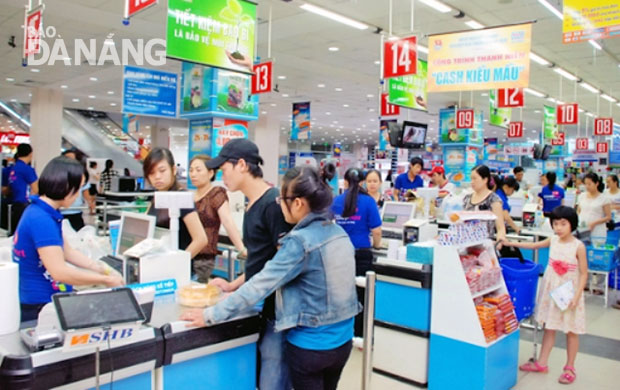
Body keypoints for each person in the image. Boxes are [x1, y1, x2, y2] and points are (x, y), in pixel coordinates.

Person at [181, 166, 359, 390]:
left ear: (298, 203)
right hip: (342, 343)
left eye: (281, 199)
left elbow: (260, 284)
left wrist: (210, 315)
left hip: (311, 346)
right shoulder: (339, 234)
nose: (279, 204)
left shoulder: (300, 242)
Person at [204, 138, 293, 390]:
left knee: (273, 379)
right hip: (264, 307)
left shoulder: (273, 204)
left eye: (224, 169)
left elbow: (283, 265)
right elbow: (261, 260)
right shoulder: (251, 203)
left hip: (280, 313)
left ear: (241, 165)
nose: (222, 177)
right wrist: (234, 286)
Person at [12, 156, 124, 322]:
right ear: (64, 186)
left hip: (41, 299)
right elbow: (60, 272)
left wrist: (99, 267)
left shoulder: (43, 211)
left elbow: (67, 251)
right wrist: (105, 280)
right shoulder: (41, 219)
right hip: (39, 306)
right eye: (77, 189)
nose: (78, 195)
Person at [502, 206, 586, 385]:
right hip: (552, 291)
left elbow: (584, 273)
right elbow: (533, 245)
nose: (559, 228)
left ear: (572, 224)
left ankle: (570, 367)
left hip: (569, 293)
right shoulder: (553, 240)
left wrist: (577, 296)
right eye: (555, 224)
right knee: (550, 326)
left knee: (571, 330)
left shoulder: (578, 246)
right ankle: (542, 362)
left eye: (563, 224)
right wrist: (511, 243)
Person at [331, 168, 381, 340]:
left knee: (341, 294)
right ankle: (360, 335)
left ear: (345, 183)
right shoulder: (368, 202)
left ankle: (342, 334)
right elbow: (377, 231)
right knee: (362, 297)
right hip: (362, 255)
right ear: (362, 183)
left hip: (340, 254)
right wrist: (378, 246)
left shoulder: (336, 201)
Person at [188, 155, 246, 282]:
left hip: (204, 258)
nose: (193, 174)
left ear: (210, 173)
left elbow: (227, 221)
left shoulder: (216, 193)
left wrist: (241, 248)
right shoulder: (189, 196)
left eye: (198, 170)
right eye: (191, 170)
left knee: (196, 292)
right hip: (186, 252)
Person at [143, 148, 208, 260]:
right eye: (152, 172)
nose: (157, 176)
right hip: (157, 265)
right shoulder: (156, 197)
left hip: (176, 271)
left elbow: (201, 239)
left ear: (173, 170)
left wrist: (178, 263)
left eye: (162, 171)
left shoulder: (181, 198)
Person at [462, 165, 506, 242]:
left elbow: (500, 228)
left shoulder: (493, 199)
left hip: (486, 244)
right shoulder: (467, 198)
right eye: (471, 179)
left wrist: (500, 241)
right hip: (467, 242)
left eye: (475, 179)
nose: (472, 182)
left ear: (485, 179)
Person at [7, 143, 38, 235]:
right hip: (25, 206)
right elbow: (35, 189)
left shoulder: (13, 168)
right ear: (30, 154)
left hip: (14, 205)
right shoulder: (27, 169)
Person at [60, 150, 93, 231]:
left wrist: (91, 203)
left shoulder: (81, 176)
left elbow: (86, 192)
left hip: (75, 212)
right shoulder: (58, 175)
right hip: (60, 212)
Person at [577, 172, 611, 241]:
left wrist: (594, 223)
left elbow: (608, 217)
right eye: (585, 184)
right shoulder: (582, 196)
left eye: (589, 184)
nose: (587, 186)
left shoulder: (604, 198)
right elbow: (578, 211)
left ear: (597, 183)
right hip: (583, 228)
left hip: (598, 230)